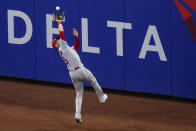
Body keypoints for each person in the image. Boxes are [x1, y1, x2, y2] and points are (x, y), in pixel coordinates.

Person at [51, 20, 108, 124]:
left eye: (58, 40)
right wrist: (59, 22)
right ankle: (101, 97)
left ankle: (77, 115)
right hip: (80, 70)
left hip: (72, 74)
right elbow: (62, 33)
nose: (59, 40)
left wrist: (76, 37)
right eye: (57, 40)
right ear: (56, 45)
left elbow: (77, 46)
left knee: (79, 94)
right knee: (92, 79)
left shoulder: (66, 49)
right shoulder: (62, 47)